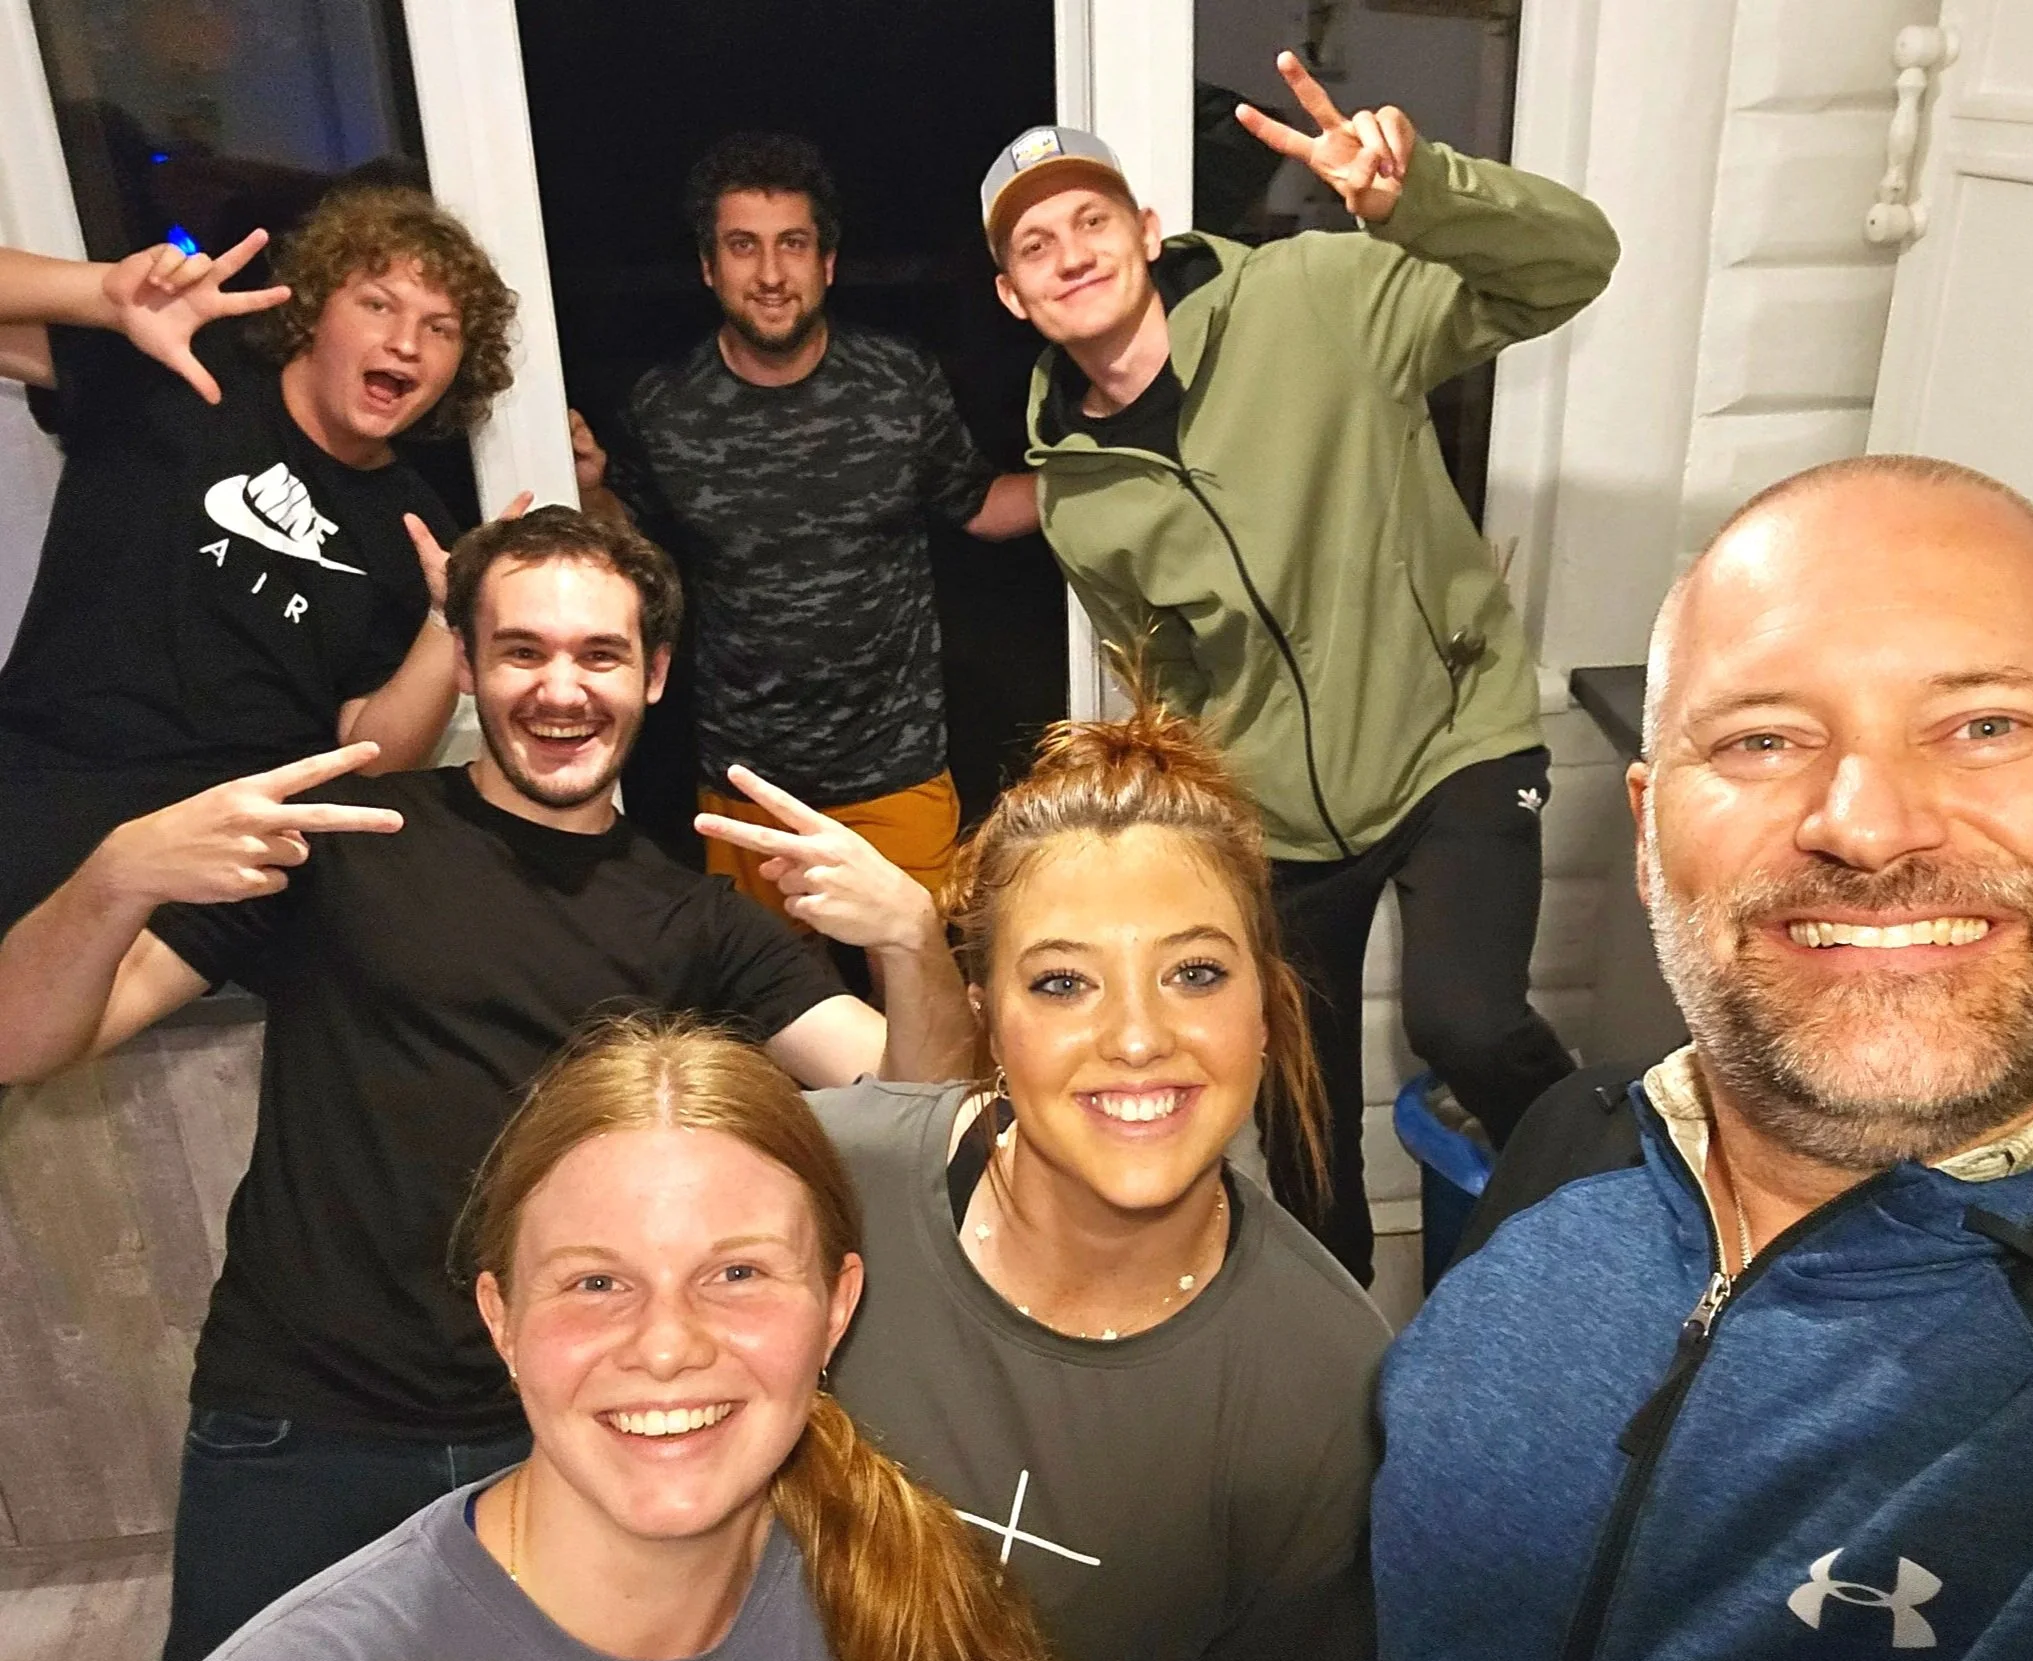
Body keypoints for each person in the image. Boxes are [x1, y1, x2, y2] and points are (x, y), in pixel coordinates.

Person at [1351, 456, 2033, 1661]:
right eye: (1763, 740)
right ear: (1655, 828)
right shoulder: (1575, 1145)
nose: (1865, 822)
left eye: (1984, 725)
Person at [0, 507, 974, 1661]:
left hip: (571, 1429)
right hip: (306, 1425)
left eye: (600, 655)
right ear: (467, 662)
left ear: (654, 674)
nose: (560, 689)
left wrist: (914, 942)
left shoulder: (700, 922)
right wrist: (113, 876)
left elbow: (931, 1117)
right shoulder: (345, 849)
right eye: (522, 650)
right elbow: (24, 1039)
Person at [981, 55, 1621, 1281]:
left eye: (1090, 220)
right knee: (1295, 1106)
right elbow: (1161, 676)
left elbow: (1570, 263)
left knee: (1465, 1019)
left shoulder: (1313, 297)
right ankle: (1339, 1336)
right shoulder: (1075, 492)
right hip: (1275, 815)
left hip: (1451, 738)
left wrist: (1416, 196)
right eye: (1034, 246)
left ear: (1146, 230)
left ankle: (1607, 1214)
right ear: (1013, 296)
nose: (1068, 253)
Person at [133, 1016, 1070, 1661]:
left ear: (835, 1305)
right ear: (502, 1322)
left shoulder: (917, 1601)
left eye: (736, 1273)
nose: (665, 1346)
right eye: (596, 1281)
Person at [760, 703, 1390, 1661]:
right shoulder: (820, 1185)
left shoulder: (1322, 1386)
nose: (1137, 1034)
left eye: (1195, 972)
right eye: (1061, 981)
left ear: (1265, 1005)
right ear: (985, 1015)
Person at [0, 183, 519, 928]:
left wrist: (449, 615)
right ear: (313, 312)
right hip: (49, 774)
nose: (407, 342)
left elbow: (369, 758)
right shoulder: (185, 368)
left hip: (230, 845)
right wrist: (99, 295)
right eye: (378, 304)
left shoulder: (413, 524)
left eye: (440, 328)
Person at [576, 131, 1038, 924]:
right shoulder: (666, 408)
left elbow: (980, 504)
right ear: (708, 265)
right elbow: (630, 548)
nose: (769, 273)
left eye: (792, 244)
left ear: (826, 262)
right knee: (781, 1023)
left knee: (928, 996)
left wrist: (1114, 468)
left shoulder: (897, 382)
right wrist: (586, 491)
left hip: (900, 771)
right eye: (742, 246)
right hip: (748, 783)